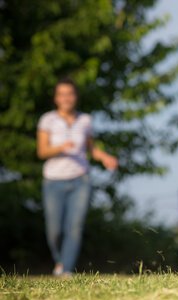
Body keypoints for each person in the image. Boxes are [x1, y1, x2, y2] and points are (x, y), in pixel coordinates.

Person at [37, 78, 118, 277]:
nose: (66, 98)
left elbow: (91, 149)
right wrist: (60, 148)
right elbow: (42, 152)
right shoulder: (48, 120)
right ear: (56, 98)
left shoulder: (85, 120)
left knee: (74, 227)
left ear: (75, 97)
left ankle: (66, 270)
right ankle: (60, 261)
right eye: (62, 94)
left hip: (80, 179)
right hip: (53, 180)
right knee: (54, 230)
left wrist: (105, 157)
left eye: (70, 94)